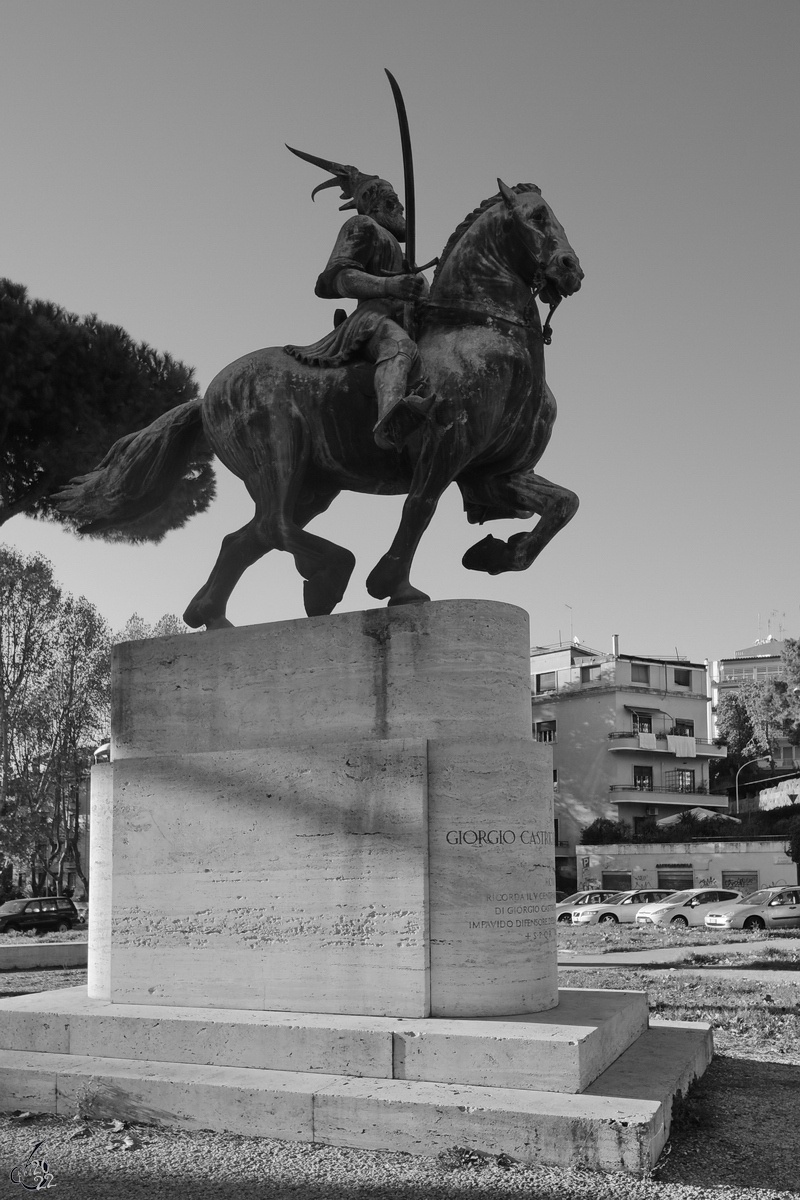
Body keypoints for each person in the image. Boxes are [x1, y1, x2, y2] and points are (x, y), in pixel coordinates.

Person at [285, 147, 435, 452]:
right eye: (393, 203)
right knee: (399, 347)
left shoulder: (404, 255)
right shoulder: (362, 227)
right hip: (373, 321)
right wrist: (390, 285)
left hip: (411, 322)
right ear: (374, 206)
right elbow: (338, 278)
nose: (401, 209)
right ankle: (389, 419)